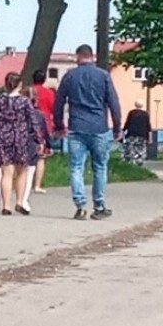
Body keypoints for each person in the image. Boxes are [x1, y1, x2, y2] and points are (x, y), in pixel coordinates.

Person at [53, 44, 122, 220]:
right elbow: (114, 102)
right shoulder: (103, 76)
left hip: (76, 127)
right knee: (100, 167)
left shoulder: (69, 76)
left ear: (78, 57)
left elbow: (59, 102)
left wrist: (59, 125)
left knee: (76, 167)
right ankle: (98, 206)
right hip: (99, 127)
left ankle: (80, 206)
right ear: (92, 57)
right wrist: (117, 128)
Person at [0, 71, 39, 216]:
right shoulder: (25, 101)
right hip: (20, 138)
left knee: (6, 173)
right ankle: (20, 202)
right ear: (20, 85)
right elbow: (33, 120)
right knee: (22, 171)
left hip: (2, 138)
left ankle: (6, 205)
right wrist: (39, 139)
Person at [20, 86, 52, 212]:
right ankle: (23, 200)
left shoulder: (17, 113)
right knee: (28, 173)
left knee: (14, 173)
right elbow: (44, 131)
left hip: (16, 143)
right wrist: (48, 144)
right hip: (32, 145)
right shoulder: (39, 114)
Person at [31, 69, 57, 193]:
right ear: (44, 79)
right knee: (42, 157)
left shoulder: (29, 91)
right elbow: (53, 108)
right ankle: (37, 185)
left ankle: (23, 183)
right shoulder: (48, 93)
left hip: (29, 124)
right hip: (44, 125)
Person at [123, 98, 152, 165]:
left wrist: (123, 131)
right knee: (141, 149)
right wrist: (150, 138)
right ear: (142, 105)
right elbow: (148, 126)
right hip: (142, 135)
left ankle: (131, 162)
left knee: (130, 148)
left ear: (135, 104)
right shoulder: (145, 114)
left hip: (131, 134)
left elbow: (127, 123)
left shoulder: (131, 113)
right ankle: (139, 161)